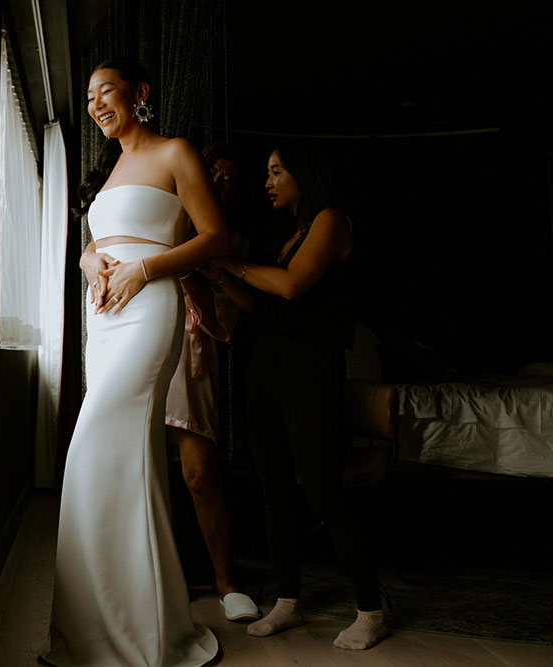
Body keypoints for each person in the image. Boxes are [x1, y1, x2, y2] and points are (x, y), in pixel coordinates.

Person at [42, 57, 230, 667]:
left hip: (149, 311)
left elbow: (213, 237)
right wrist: (89, 260)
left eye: (107, 92)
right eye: (90, 96)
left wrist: (145, 268)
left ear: (139, 93)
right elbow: (102, 240)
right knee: (116, 462)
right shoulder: (112, 170)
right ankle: (109, 626)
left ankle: (136, 635)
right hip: (105, 321)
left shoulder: (176, 152)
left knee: (95, 447)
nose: (96, 104)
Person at [206, 141, 390, 650]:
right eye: (267, 172)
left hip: (311, 369)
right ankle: (288, 601)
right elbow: (260, 309)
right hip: (267, 366)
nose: (266, 182)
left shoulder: (331, 220)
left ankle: (370, 610)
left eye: (276, 171)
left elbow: (290, 287)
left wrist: (232, 263)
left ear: (304, 174)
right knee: (273, 488)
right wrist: (216, 273)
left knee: (324, 489)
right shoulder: (289, 234)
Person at [161, 143, 261, 622]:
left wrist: (210, 273)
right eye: (212, 174)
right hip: (140, 338)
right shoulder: (165, 217)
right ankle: (149, 576)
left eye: (229, 179)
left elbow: (230, 321)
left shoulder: (232, 242)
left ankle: (227, 584)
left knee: (198, 473)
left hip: (192, 351)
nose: (219, 183)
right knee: (136, 465)